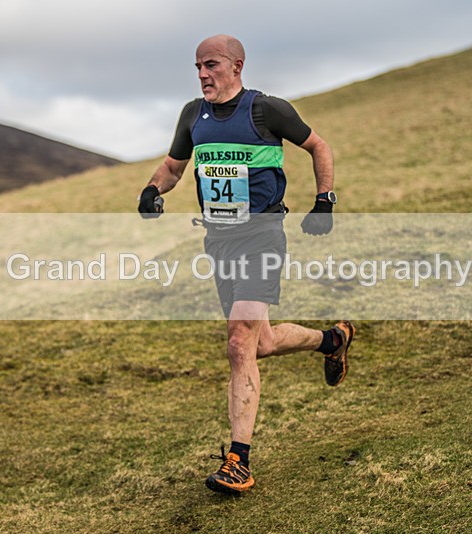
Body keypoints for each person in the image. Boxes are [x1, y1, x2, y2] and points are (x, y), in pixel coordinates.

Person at [137, 34, 355, 496]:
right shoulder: (192, 115)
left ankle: (239, 461)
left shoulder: (266, 110)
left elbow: (319, 147)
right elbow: (174, 167)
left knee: (239, 342)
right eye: (198, 66)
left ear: (237, 66)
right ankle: (332, 340)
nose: (202, 74)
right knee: (261, 343)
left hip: (262, 237)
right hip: (219, 242)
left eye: (211, 65)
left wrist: (324, 201)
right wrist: (153, 189)